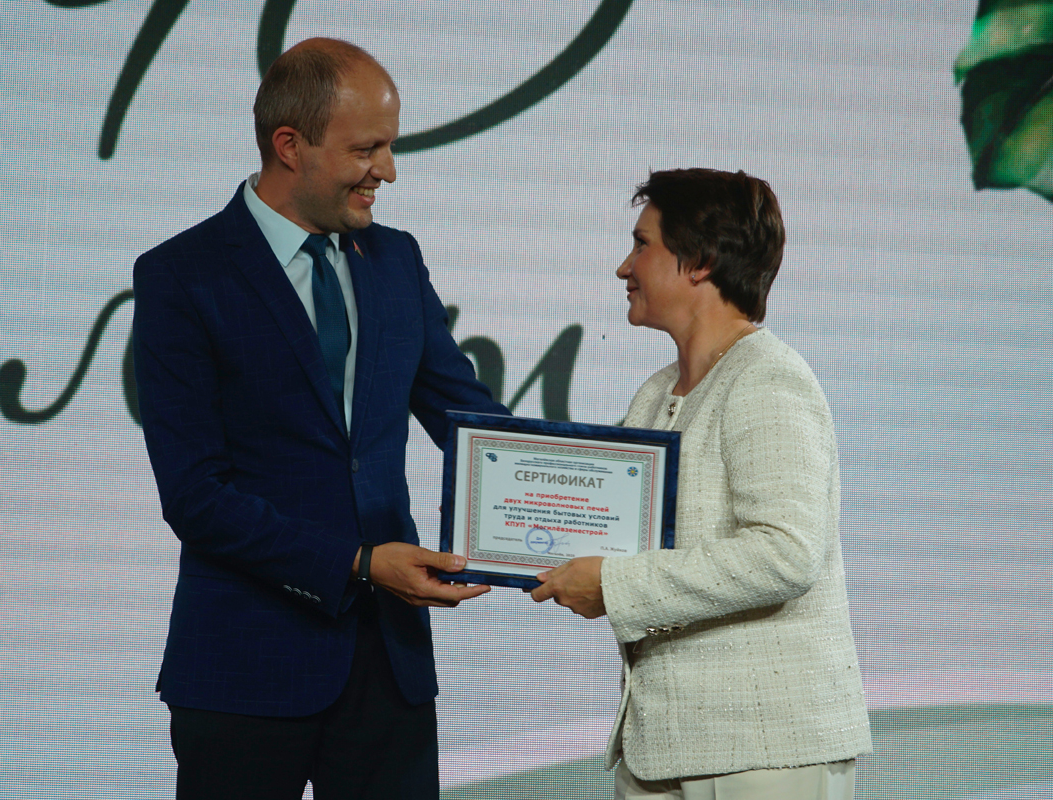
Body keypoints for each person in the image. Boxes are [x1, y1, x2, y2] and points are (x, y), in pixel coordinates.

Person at [132, 38, 506, 800]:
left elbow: (474, 424)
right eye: (367, 149)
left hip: (390, 670)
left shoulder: (395, 260)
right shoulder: (181, 276)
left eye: (390, 147)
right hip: (243, 669)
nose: (388, 171)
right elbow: (196, 496)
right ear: (289, 146)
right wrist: (360, 564)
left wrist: (591, 508)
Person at [532, 168, 872, 798]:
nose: (623, 267)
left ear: (701, 261)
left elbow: (785, 553)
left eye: (641, 245)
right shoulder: (655, 395)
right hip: (662, 750)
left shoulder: (767, 379)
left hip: (764, 756)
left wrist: (613, 584)